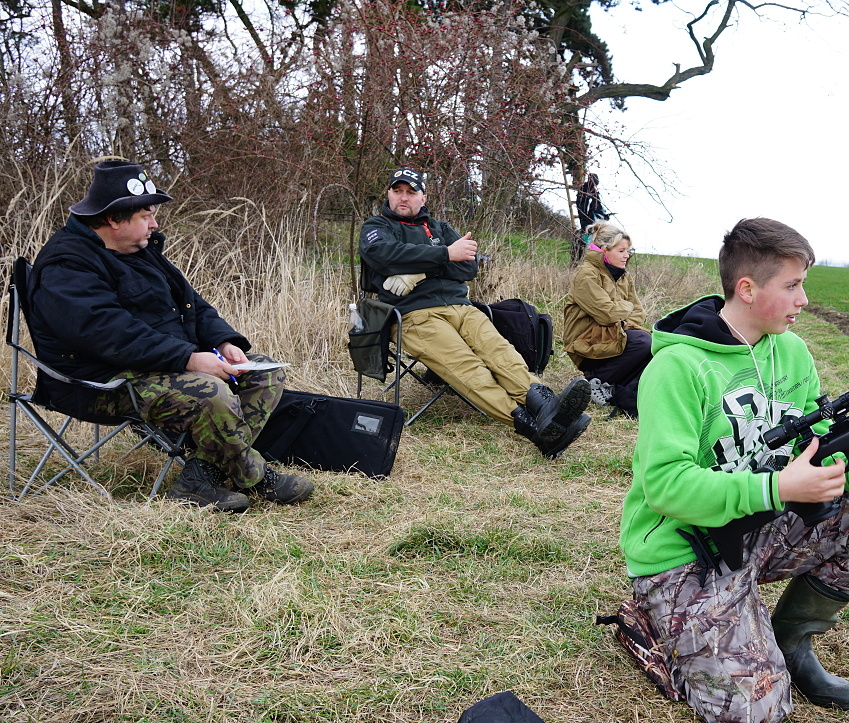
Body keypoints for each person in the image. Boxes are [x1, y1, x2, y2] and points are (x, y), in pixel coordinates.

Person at [618, 217, 849, 723]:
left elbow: (820, 449)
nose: (803, 300)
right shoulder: (678, 368)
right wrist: (776, 488)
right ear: (747, 289)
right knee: (754, 717)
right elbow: (666, 486)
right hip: (685, 551)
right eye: (792, 285)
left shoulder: (791, 352)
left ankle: (789, 641)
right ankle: (654, 626)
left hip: (762, 524)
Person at [28, 159, 314, 512]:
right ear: (114, 219)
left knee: (264, 372)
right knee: (210, 391)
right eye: (146, 216)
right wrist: (189, 359)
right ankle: (256, 477)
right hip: (101, 382)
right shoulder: (66, 265)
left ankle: (199, 478)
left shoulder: (140, 251)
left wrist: (224, 343)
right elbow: (108, 333)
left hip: (155, 367)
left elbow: (193, 305)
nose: (155, 224)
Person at [359, 167, 591, 458]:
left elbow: (468, 266)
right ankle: (534, 428)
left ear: (423, 198)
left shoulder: (440, 228)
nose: (403, 197)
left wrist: (418, 271)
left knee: (502, 354)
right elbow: (384, 255)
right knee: (468, 368)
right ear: (389, 194)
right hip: (414, 315)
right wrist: (446, 254)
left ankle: (548, 408)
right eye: (398, 191)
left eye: (411, 192)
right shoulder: (377, 226)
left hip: (462, 308)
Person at [561, 221, 651, 418]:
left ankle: (618, 387)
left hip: (613, 337)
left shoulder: (623, 276)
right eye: (621, 251)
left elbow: (639, 313)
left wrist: (622, 316)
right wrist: (625, 308)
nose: (627, 255)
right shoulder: (586, 274)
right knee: (643, 342)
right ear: (604, 250)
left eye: (628, 250)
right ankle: (594, 381)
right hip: (586, 343)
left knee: (655, 344)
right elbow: (607, 314)